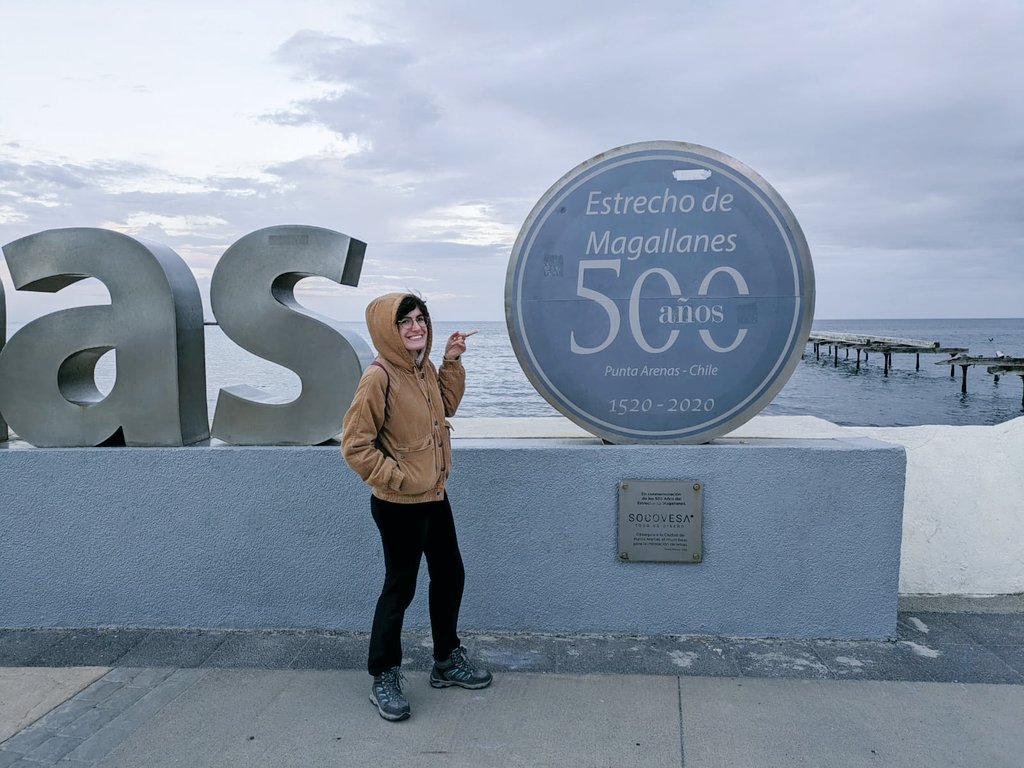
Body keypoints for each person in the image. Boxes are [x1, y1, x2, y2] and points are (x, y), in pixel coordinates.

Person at [341, 292, 492, 722]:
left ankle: (445, 660)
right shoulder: (378, 377)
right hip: (399, 504)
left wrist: (451, 361)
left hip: (434, 497)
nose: (415, 327)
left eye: (420, 318)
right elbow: (355, 447)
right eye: (404, 321)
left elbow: (444, 407)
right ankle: (383, 674)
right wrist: (400, 478)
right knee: (400, 588)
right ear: (387, 330)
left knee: (449, 575)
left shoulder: (421, 368)